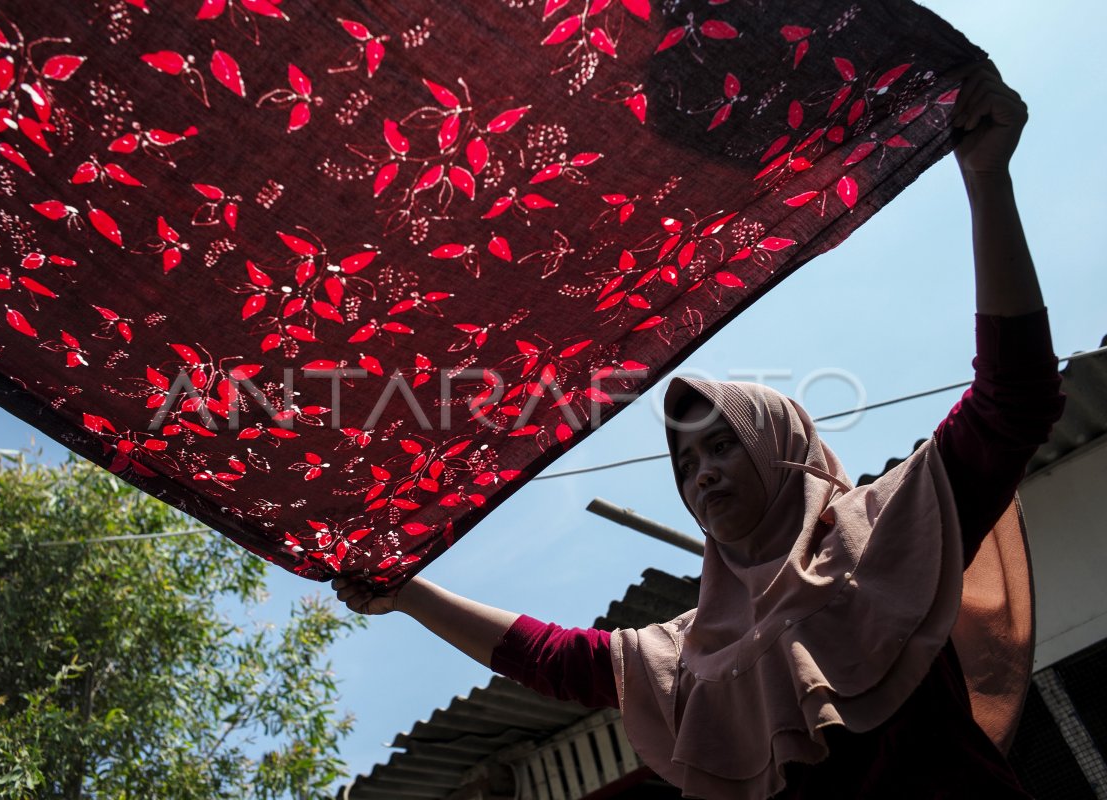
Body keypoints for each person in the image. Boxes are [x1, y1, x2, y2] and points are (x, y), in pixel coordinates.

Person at [333, 61, 1065, 799]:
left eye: (723, 446)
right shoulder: (689, 653)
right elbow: (552, 659)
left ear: (782, 451)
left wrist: (987, 181)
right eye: (685, 463)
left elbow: (1015, 399)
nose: (702, 473)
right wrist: (409, 594)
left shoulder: (890, 531)